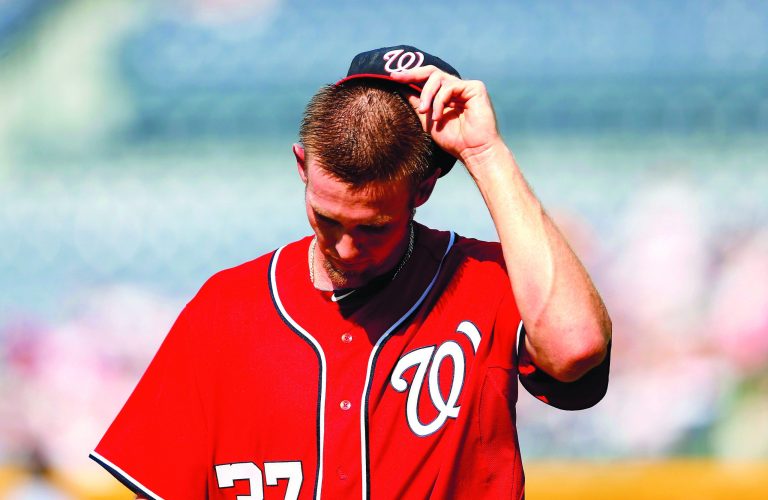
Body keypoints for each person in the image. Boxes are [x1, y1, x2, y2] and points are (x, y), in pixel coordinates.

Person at [90, 45, 611, 499]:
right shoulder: (226, 307)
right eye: (327, 218)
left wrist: (485, 153)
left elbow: (575, 345)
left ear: (423, 191)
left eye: (372, 227)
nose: (345, 247)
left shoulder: (482, 279)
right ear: (302, 166)